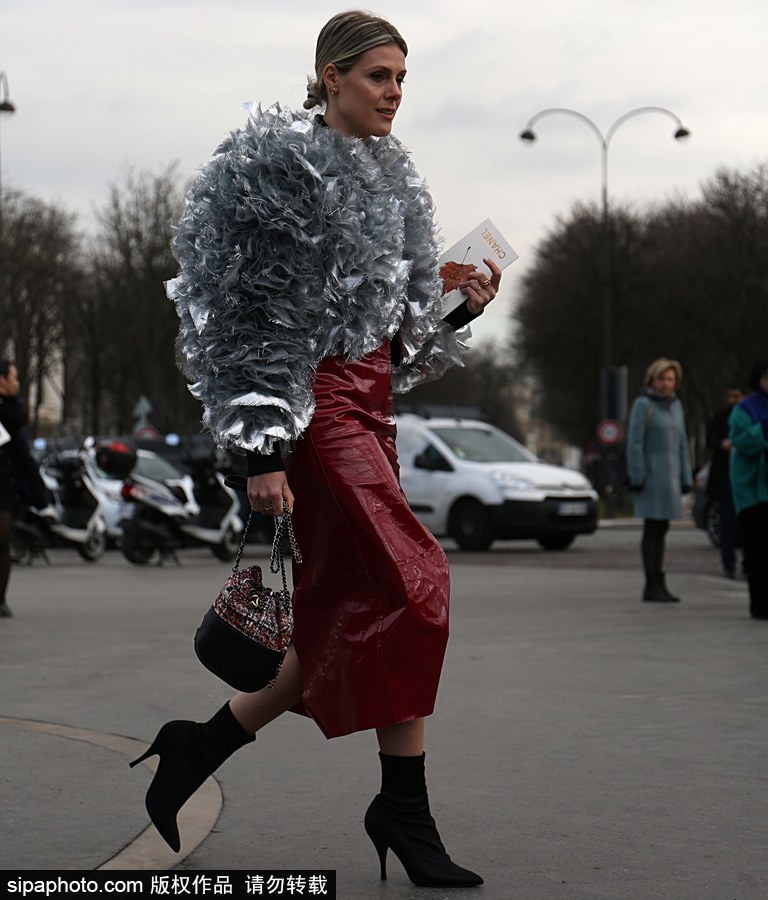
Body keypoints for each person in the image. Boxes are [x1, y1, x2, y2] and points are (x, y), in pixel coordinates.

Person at [132, 11, 501, 887]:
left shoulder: (393, 178)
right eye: (379, 75)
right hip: (317, 409)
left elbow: (398, 342)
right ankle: (402, 808)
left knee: (359, 608)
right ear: (331, 76)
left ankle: (201, 747)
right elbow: (244, 313)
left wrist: (457, 306)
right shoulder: (275, 166)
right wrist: (262, 450)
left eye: (402, 78)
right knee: (416, 583)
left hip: (371, 407)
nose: (394, 93)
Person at [627, 358, 693, 602]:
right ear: (652, 381)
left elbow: (682, 444)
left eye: (670, 379)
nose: (666, 384)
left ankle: (660, 581)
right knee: (652, 528)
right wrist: (638, 475)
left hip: (670, 478)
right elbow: (635, 442)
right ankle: (651, 582)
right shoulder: (643, 405)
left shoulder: (676, 406)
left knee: (662, 528)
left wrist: (685, 477)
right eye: (661, 379)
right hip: (651, 477)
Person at [0, 361, 49, 618]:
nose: (17, 383)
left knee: (2, 542)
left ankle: (0, 600)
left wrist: (37, 490)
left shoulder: (13, 412)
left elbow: (22, 456)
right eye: (14, 378)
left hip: (4, 485)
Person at [728, 359, 768, 619]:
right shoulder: (745, 409)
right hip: (753, 490)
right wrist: (762, 431)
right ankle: (760, 603)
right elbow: (740, 441)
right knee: (757, 548)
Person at [705, 385, 745, 578]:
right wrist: (722, 443)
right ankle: (728, 563)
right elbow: (710, 440)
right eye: (730, 396)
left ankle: (747, 563)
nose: (733, 400)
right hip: (725, 477)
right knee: (727, 522)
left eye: (737, 396)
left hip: (744, 477)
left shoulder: (748, 416)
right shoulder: (720, 417)